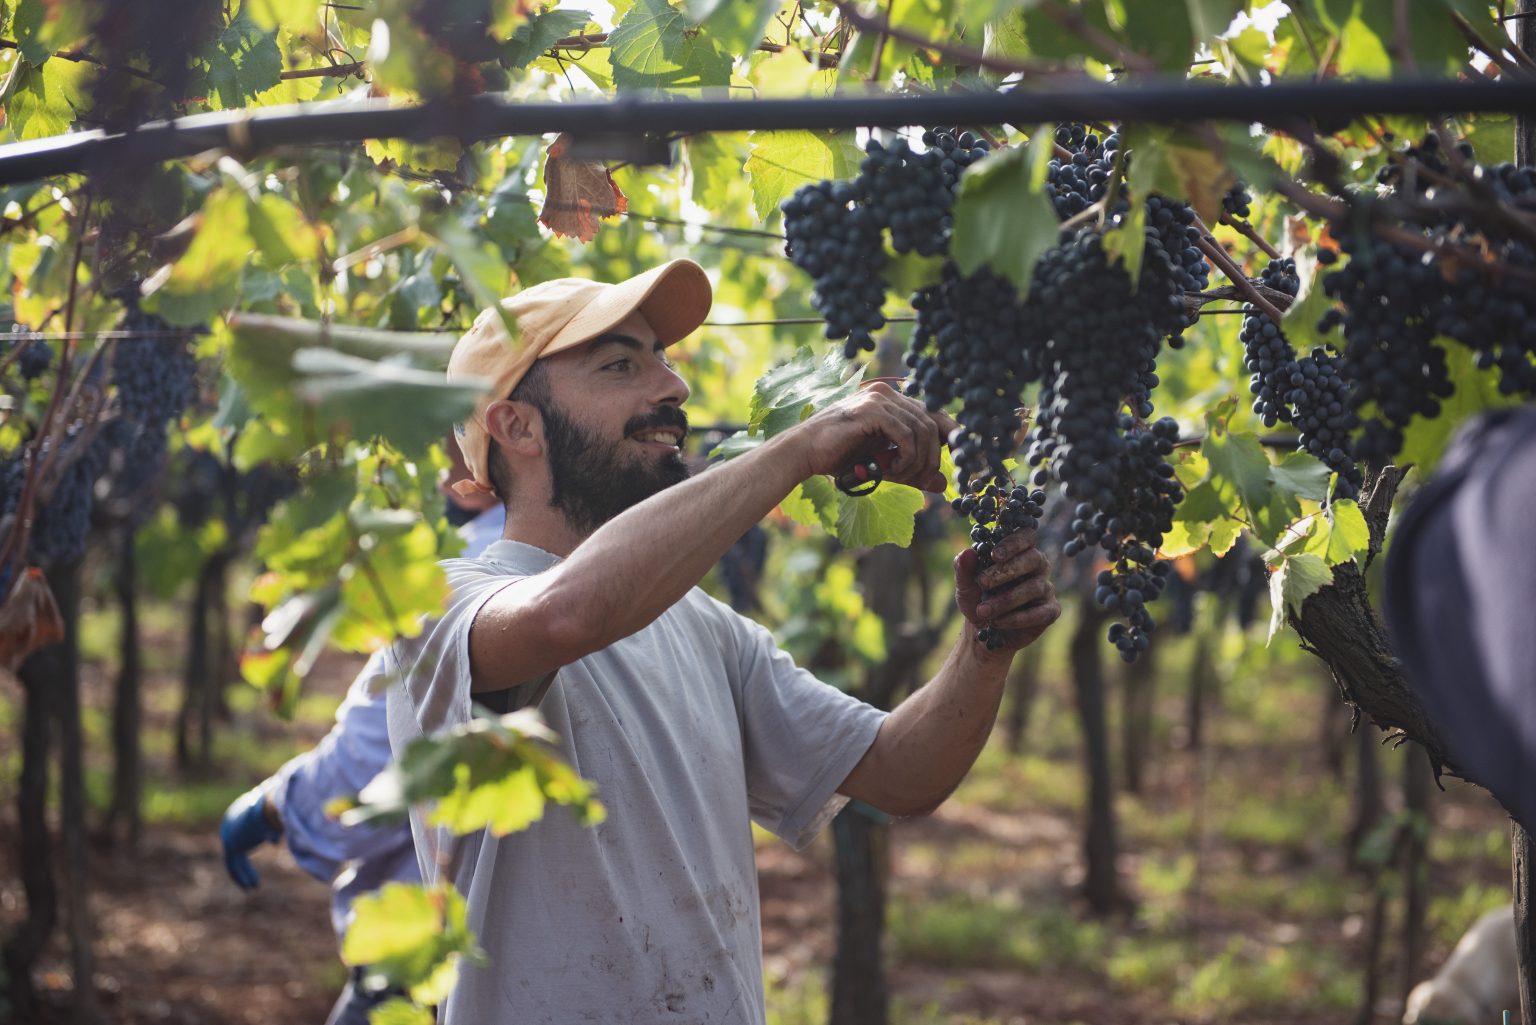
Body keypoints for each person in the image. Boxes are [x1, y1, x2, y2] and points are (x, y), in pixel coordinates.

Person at [384, 258, 1062, 1024]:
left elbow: (899, 773)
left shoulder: (704, 627)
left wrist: (987, 643)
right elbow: (564, 616)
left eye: (664, 360)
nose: (671, 387)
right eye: (620, 365)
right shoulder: (437, 609)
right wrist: (800, 447)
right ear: (518, 425)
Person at [218, 448, 505, 1025]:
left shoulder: (466, 578)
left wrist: (276, 806)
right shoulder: (638, 567)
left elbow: (374, 775)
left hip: (430, 962)